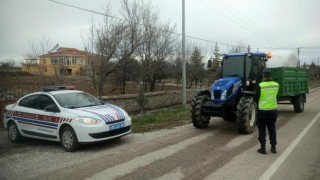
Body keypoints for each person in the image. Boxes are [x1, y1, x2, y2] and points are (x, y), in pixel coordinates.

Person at [254, 69, 279, 154]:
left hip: (262, 112)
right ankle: (273, 147)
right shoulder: (276, 85)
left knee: (262, 130)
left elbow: (255, 99)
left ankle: (263, 148)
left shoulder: (260, 86)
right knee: (272, 129)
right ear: (271, 76)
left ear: (264, 76)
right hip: (273, 111)